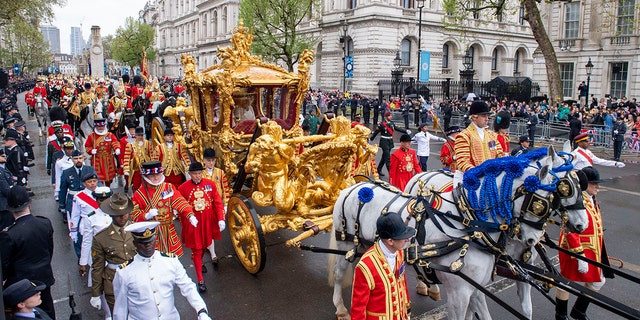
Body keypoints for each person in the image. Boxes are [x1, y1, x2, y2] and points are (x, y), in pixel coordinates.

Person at [112, 221, 213, 320]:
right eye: (143, 243)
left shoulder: (170, 261)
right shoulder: (124, 272)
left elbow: (187, 287)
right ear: (135, 244)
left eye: (150, 241)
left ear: (155, 239)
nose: (148, 245)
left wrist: (201, 310)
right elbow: (120, 308)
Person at [555, 166, 613, 320]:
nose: (598, 187)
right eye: (594, 184)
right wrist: (579, 255)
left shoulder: (592, 199)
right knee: (566, 281)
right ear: (585, 184)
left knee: (598, 281)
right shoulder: (577, 201)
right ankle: (561, 315)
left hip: (592, 249)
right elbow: (570, 230)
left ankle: (579, 310)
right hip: (575, 249)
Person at [0, 186, 56, 319]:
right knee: (47, 312)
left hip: (22, 287)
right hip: (44, 277)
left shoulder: (8, 234)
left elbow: (5, 265)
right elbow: (49, 250)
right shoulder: (44, 223)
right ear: (29, 204)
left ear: (10, 210)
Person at [350, 212, 414, 320]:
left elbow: (402, 284)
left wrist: (407, 313)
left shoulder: (399, 253)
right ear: (390, 241)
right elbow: (358, 308)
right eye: (403, 237)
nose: (407, 240)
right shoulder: (365, 266)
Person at [131, 161, 195, 257]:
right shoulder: (139, 194)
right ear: (146, 177)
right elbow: (134, 214)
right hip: (151, 233)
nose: (156, 178)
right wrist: (146, 215)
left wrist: (190, 214)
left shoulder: (168, 187)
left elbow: (179, 201)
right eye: (152, 176)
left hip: (168, 229)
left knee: (172, 259)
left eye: (158, 174)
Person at [179, 162, 225, 292]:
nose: (198, 176)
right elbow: (179, 205)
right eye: (195, 174)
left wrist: (221, 218)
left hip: (207, 222)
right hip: (194, 224)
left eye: (199, 173)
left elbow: (217, 202)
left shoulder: (210, 184)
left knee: (206, 245)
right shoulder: (182, 188)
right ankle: (200, 280)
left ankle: (196, 259)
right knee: (197, 250)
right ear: (190, 174)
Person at [90, 192, 137, 314]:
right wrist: (96, 293)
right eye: (118, 215)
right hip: (114, 283)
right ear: (111, 215)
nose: (123, 218)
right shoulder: (101, 238)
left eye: (125, 213)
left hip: (137, 280)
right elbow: (98, 267)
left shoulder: (138, 231)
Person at [454, 101, 503, 184]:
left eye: (487, 116)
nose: (487, 118)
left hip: (490, 178)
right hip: (469, 178)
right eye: (483, 116)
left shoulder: (492, 135)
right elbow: (463, 161)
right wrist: (479, 174)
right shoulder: (464, 136)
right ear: (474, 117)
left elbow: (499, 154)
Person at [68, 172, 101, 258]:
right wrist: (74, 232)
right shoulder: (79, 196)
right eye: (89, 182)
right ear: (84, 183)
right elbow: (75, 215)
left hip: (101, 225)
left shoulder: (104, 193)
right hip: (87, 226)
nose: (92, 183)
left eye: (94, 181)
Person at [58, 151, 96, 223]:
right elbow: (63, 190)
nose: (78, 160)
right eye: (76, 158)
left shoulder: (90, 169)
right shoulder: (66, 172)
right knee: (74, 222)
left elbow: (97, 183)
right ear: (72, 159)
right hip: (73, 200)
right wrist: (62, 205)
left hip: (88, 199)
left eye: (80, 158)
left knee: (90, 221)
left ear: (83, 159)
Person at [370, 111, 411, 177]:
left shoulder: (392, 123)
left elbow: (397, 128)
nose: (391, 117)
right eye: (389, 116)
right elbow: (376, 132)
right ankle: (391, 173)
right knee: (388, 158)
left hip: (390, 141)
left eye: (391, 115)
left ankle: (379, 169)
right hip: (384, 141)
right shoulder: (382, 124)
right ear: (386, 117)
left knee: (384, 157)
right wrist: (371, 139)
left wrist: (405, 131)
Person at [85, 118, 121, 187]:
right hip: (97, 159)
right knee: (98, 176)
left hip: (108, 159)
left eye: (102, 126)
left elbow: (115, 142)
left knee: (109, 177)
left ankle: (108, 187)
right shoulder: (91, 136)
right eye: (99, 127)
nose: (101, 128)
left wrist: (117, 148)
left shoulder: (110, 135)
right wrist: (91, 150)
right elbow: (87, 146)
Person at [123, 126, 154, 192]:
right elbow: (126, 157)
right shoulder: (130, 144)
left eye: (141, 135)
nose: (140, 137)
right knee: (136, 184)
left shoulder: (148, 143)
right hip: (136, 168)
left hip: (146, 167)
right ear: (136, 135)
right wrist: (126, 169)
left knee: (147, 183)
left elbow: (151, 155)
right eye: (139, 135)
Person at [0, 148, 14, 231]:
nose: (5, 157)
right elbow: (6, 189)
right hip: (3, 206)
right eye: (2, 156)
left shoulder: (3, 168)